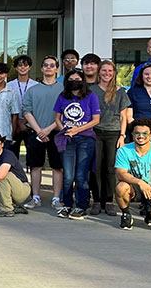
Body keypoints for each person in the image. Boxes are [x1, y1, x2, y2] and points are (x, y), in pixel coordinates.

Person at [53, 68, 100, 220]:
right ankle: (67, 204)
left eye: (78, 79)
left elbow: (95, 120)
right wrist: (65, 131)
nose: (75, 82)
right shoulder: (62, 96)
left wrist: (77, 129)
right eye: (72, 79)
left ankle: (81, 206)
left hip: (86, 139)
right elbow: (57, 118)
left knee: (81, 176)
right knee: (68, 175)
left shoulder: (91, 96)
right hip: (68, 140)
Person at [114, 119, 151, 232]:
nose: (141, 136)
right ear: (132, 134)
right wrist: (140, 182)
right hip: (136, 187)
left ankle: (149, 212)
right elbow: (120, 173)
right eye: (137, 133)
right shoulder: (124, 150)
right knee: (121, 187)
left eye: (145, 133)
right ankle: (126, 214)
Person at [21, 56, 64, 210]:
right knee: (35, 165)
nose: (48, 68)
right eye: (45, 65)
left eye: (52, 65)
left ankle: (56, 198)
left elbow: (65, 113)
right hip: (36, 132)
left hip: (57, 132)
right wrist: (39, 131)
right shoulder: (33, 90)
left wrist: (49, 129)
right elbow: (27, 111)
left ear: (57, 68)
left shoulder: (63, 90)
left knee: (57, 166)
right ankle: (36, 197)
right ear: (41, 68)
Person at [90, 59, 130, 216]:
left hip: (113, 133)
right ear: (99, 72)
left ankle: (109, 200)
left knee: (110, 168)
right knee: (96, 168)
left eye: (110, 71)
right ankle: (97, 200)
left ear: (114, 73)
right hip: (95, 132)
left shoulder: (120, 92)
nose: (107, 73)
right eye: (104, 70)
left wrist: (122, 135)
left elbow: (123, 116)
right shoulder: (92, 91)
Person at [6, 55, 38, 156]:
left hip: (30, 124)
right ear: (15, 68)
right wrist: (18, 123)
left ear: (29, 67)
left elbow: (36, 106)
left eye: (25, 65)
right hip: (13, 124)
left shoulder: (36, 85)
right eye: (20, 65)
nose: (22, 68)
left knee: (33, 156)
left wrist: (24, 122)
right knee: (12, 154)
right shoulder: (9, 85)